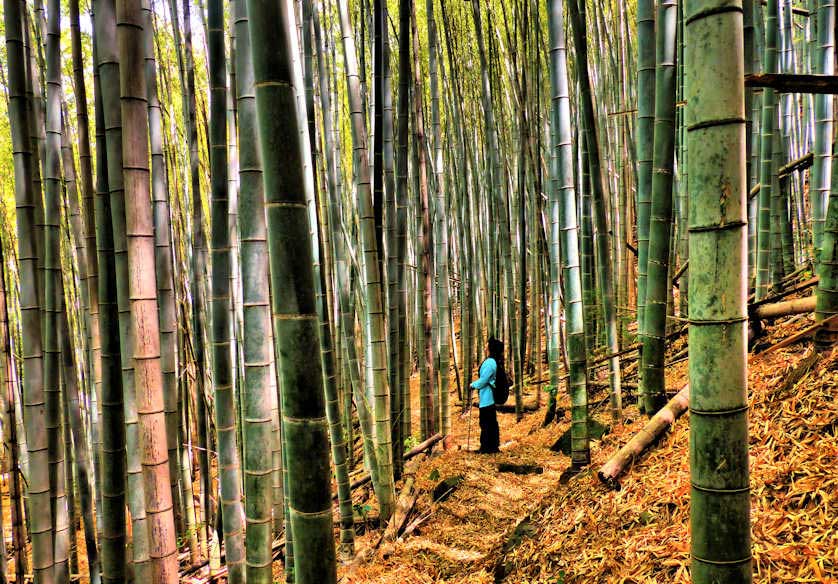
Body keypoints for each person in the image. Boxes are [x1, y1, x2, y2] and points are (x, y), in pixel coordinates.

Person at [470, 337, 502, 454]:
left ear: (490, 348)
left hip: (487, 397)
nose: (485, 346)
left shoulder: (490, 362)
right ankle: (492, 446)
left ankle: (486, 447)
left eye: (486, 345)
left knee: (486, 423)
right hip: (488, 397)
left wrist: (473, 385)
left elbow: (483, 380)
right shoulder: (493, 361)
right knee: (491, 422)